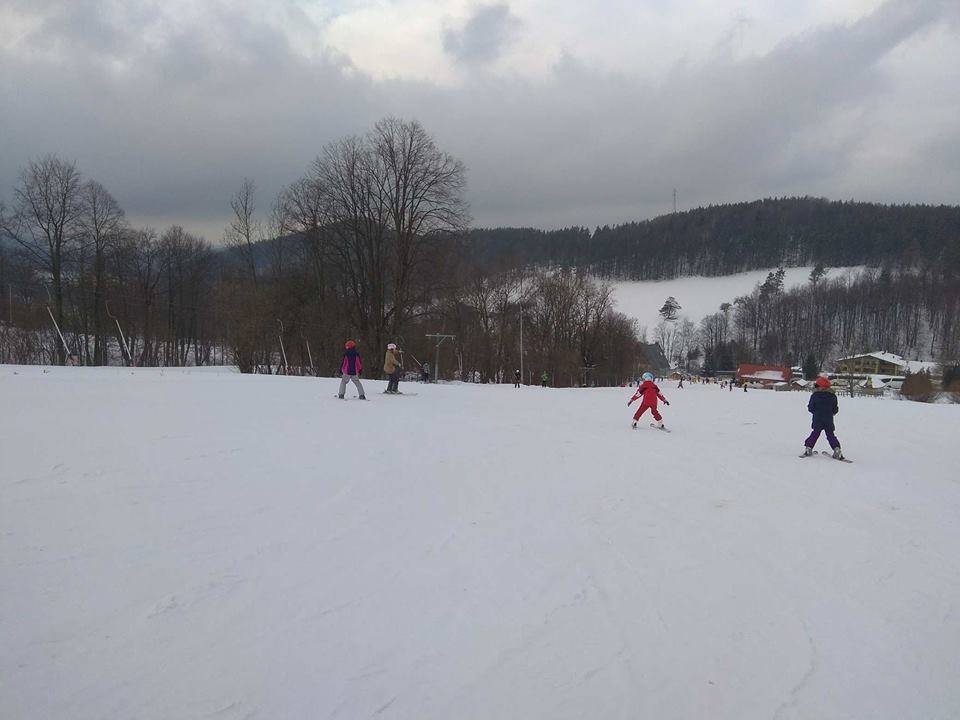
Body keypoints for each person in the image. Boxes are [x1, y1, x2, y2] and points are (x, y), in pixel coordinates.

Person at [802, 376, 844, 459]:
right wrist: (830, 413)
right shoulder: (833, 396)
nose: (816, 387)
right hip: (828, 419)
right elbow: (835, 409)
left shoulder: (815, 395)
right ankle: (837, 449)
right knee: (830, 435)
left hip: (817, 419)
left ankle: (808, 448)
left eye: (817, 385)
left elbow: (810, 408)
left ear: (820, 386)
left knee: (815, 433)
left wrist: (816, 412)